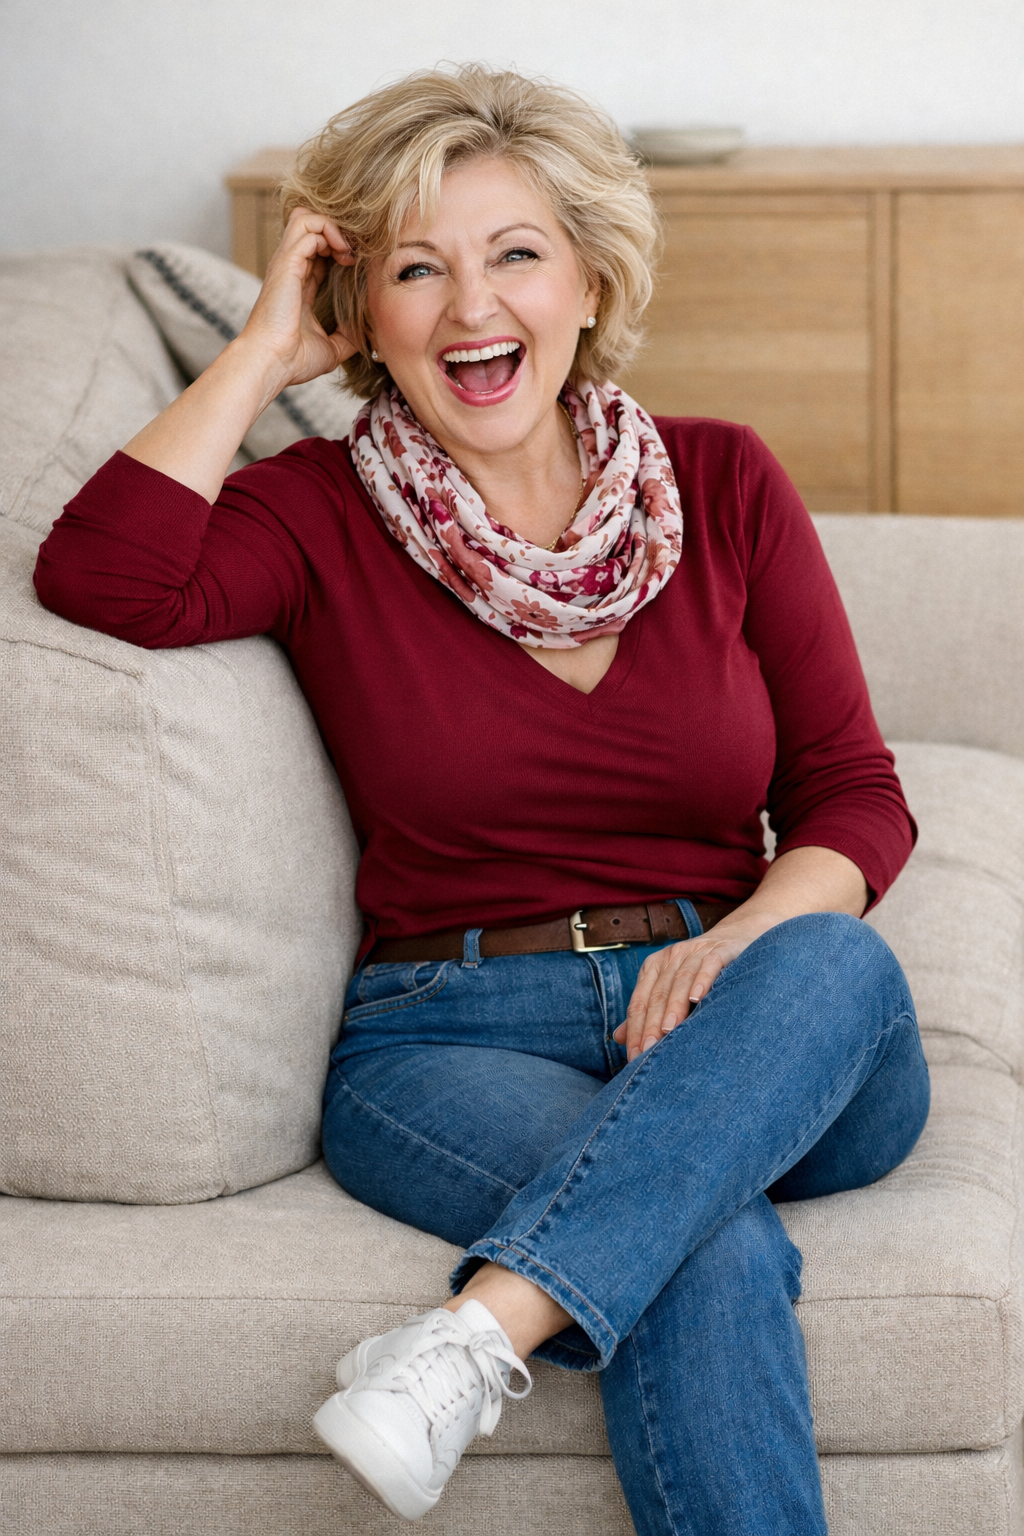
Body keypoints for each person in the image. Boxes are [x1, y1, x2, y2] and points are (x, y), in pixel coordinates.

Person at [35, 64, 929, 1536]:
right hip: (449, 1031)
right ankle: (493, 1334)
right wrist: (266, 349)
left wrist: (735, 946)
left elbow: (853, 795)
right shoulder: (316, 510)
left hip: (738, 1008)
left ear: (590, 280)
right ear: (363, 312)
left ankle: (470, 1338)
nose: (471, 308)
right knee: (704, 1246)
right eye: (413, 269)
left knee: (833, 955)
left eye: (516, 253)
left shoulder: (724, 481)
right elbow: (103, 578)